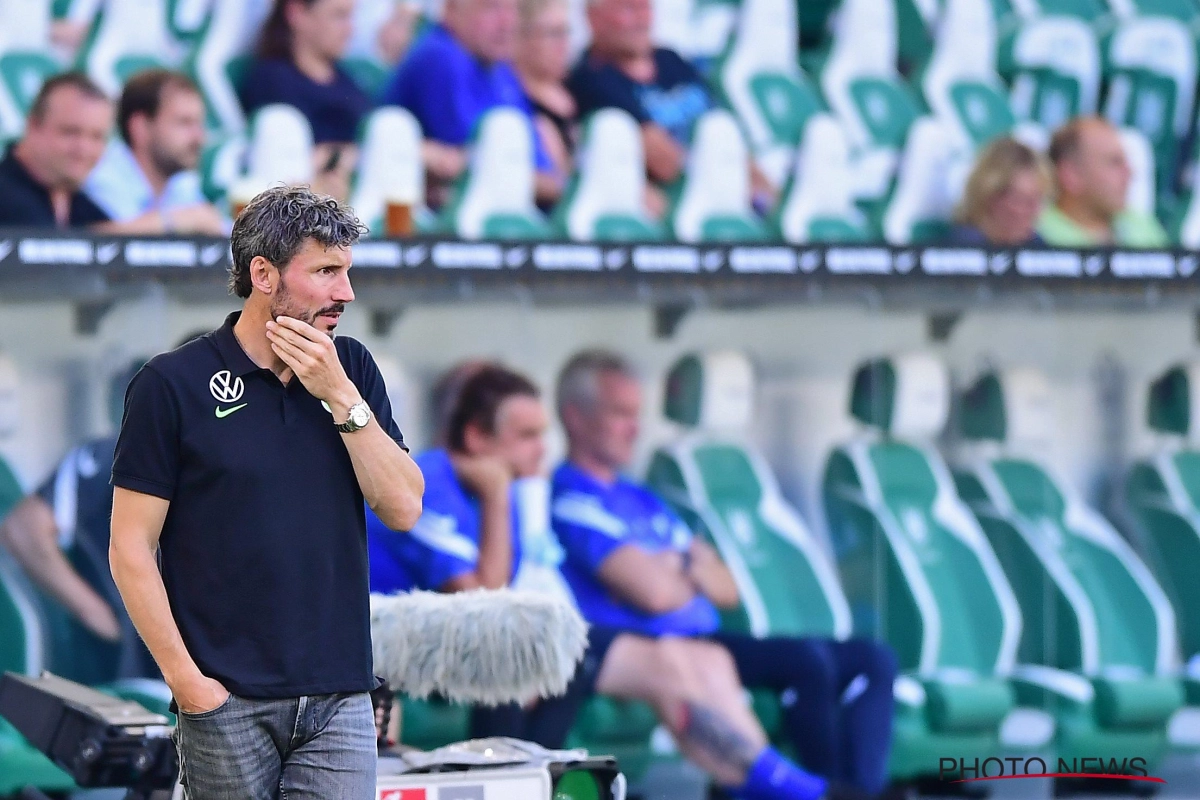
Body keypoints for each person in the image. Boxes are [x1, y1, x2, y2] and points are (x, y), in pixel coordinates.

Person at [369, 363, 886, 800]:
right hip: (391, 644)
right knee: (546, 651)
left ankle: (789, 785)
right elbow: (484, 597)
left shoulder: (521, 486)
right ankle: (795, 788)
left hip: (470, 635)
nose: (540, 452)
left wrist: (509, 489)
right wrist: (503, 492)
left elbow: (724, 586)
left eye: (541, 437)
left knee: (658, 658)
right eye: (526, 437)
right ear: (477, 439)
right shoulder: (434, 479)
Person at [108, 186, 424, 799]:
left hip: (340, 698)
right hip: (226, 702)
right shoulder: (171, 384)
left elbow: (405, 506)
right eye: (326, 271)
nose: (346, 293)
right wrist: (189, 684)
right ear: (263, 274)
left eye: (348, 271)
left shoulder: (351, 369)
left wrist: (341, 397)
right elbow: (129, 549)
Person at [552, 350, 900, 798]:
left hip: (705, 636)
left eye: (637, 414)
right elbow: (655, 595)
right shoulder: (570, 497)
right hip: (650, 645)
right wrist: (688, 568)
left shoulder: (639, 497)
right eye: (620, 414)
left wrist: (675, 569)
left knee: (873, 659)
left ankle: (859, 791)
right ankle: (822, 792)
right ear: (575, 418)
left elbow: (728, 587)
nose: (634, 428)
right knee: (807, 662)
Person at [567, 0, 775, 213]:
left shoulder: (670, 59)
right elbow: (663, 162)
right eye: (628, 9)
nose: (641, 20)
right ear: (594, 19)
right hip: (677, 200)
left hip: (725, 184)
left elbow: (725, 132)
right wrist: (731, 183)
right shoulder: (592, 78)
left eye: (645, 8)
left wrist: (764, 189)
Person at [379, 0, 565, 208]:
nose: (506, 23)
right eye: (491, 7)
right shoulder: (440, 57)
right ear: (452, 9)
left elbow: (540, 169)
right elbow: (481, 166)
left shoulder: (500, 69)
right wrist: (549, 183)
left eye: (512, 9)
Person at [240, 0, 371, 199]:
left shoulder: (350, 82)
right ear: (297, 13)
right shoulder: (272, 81)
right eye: (338, 16)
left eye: (350, 17)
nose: (349, 29)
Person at [85, 69, 228, 235]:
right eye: (184, 123)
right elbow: (104, 241)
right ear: (140, 127)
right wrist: (179, 220)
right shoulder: (102, 175)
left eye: (199, 124)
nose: (199, 138)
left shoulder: (181, 181)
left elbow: (222, 232)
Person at [0, 72, 112, 229]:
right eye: (71, 132)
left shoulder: (86, 208)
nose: (84, 149)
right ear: (33, 125)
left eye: (97, 137)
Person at [1038, 117, 1170, 248]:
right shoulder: (1037, 237)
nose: (1129, 173)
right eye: (1114, 162)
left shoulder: (1142, 227)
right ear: (1071, 175)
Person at [515, 0, 578, 192]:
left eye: (566, 32)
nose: (563, 44)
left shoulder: (573, 93)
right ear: (522, 37)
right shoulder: (516, 99)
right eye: (553, 34)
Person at [948, 137, 1048, 247]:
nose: (1034, 210)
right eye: (1024, 200)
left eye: (1039, 199)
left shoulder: (1035, 244)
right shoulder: (964, 247)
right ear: (991, 197)